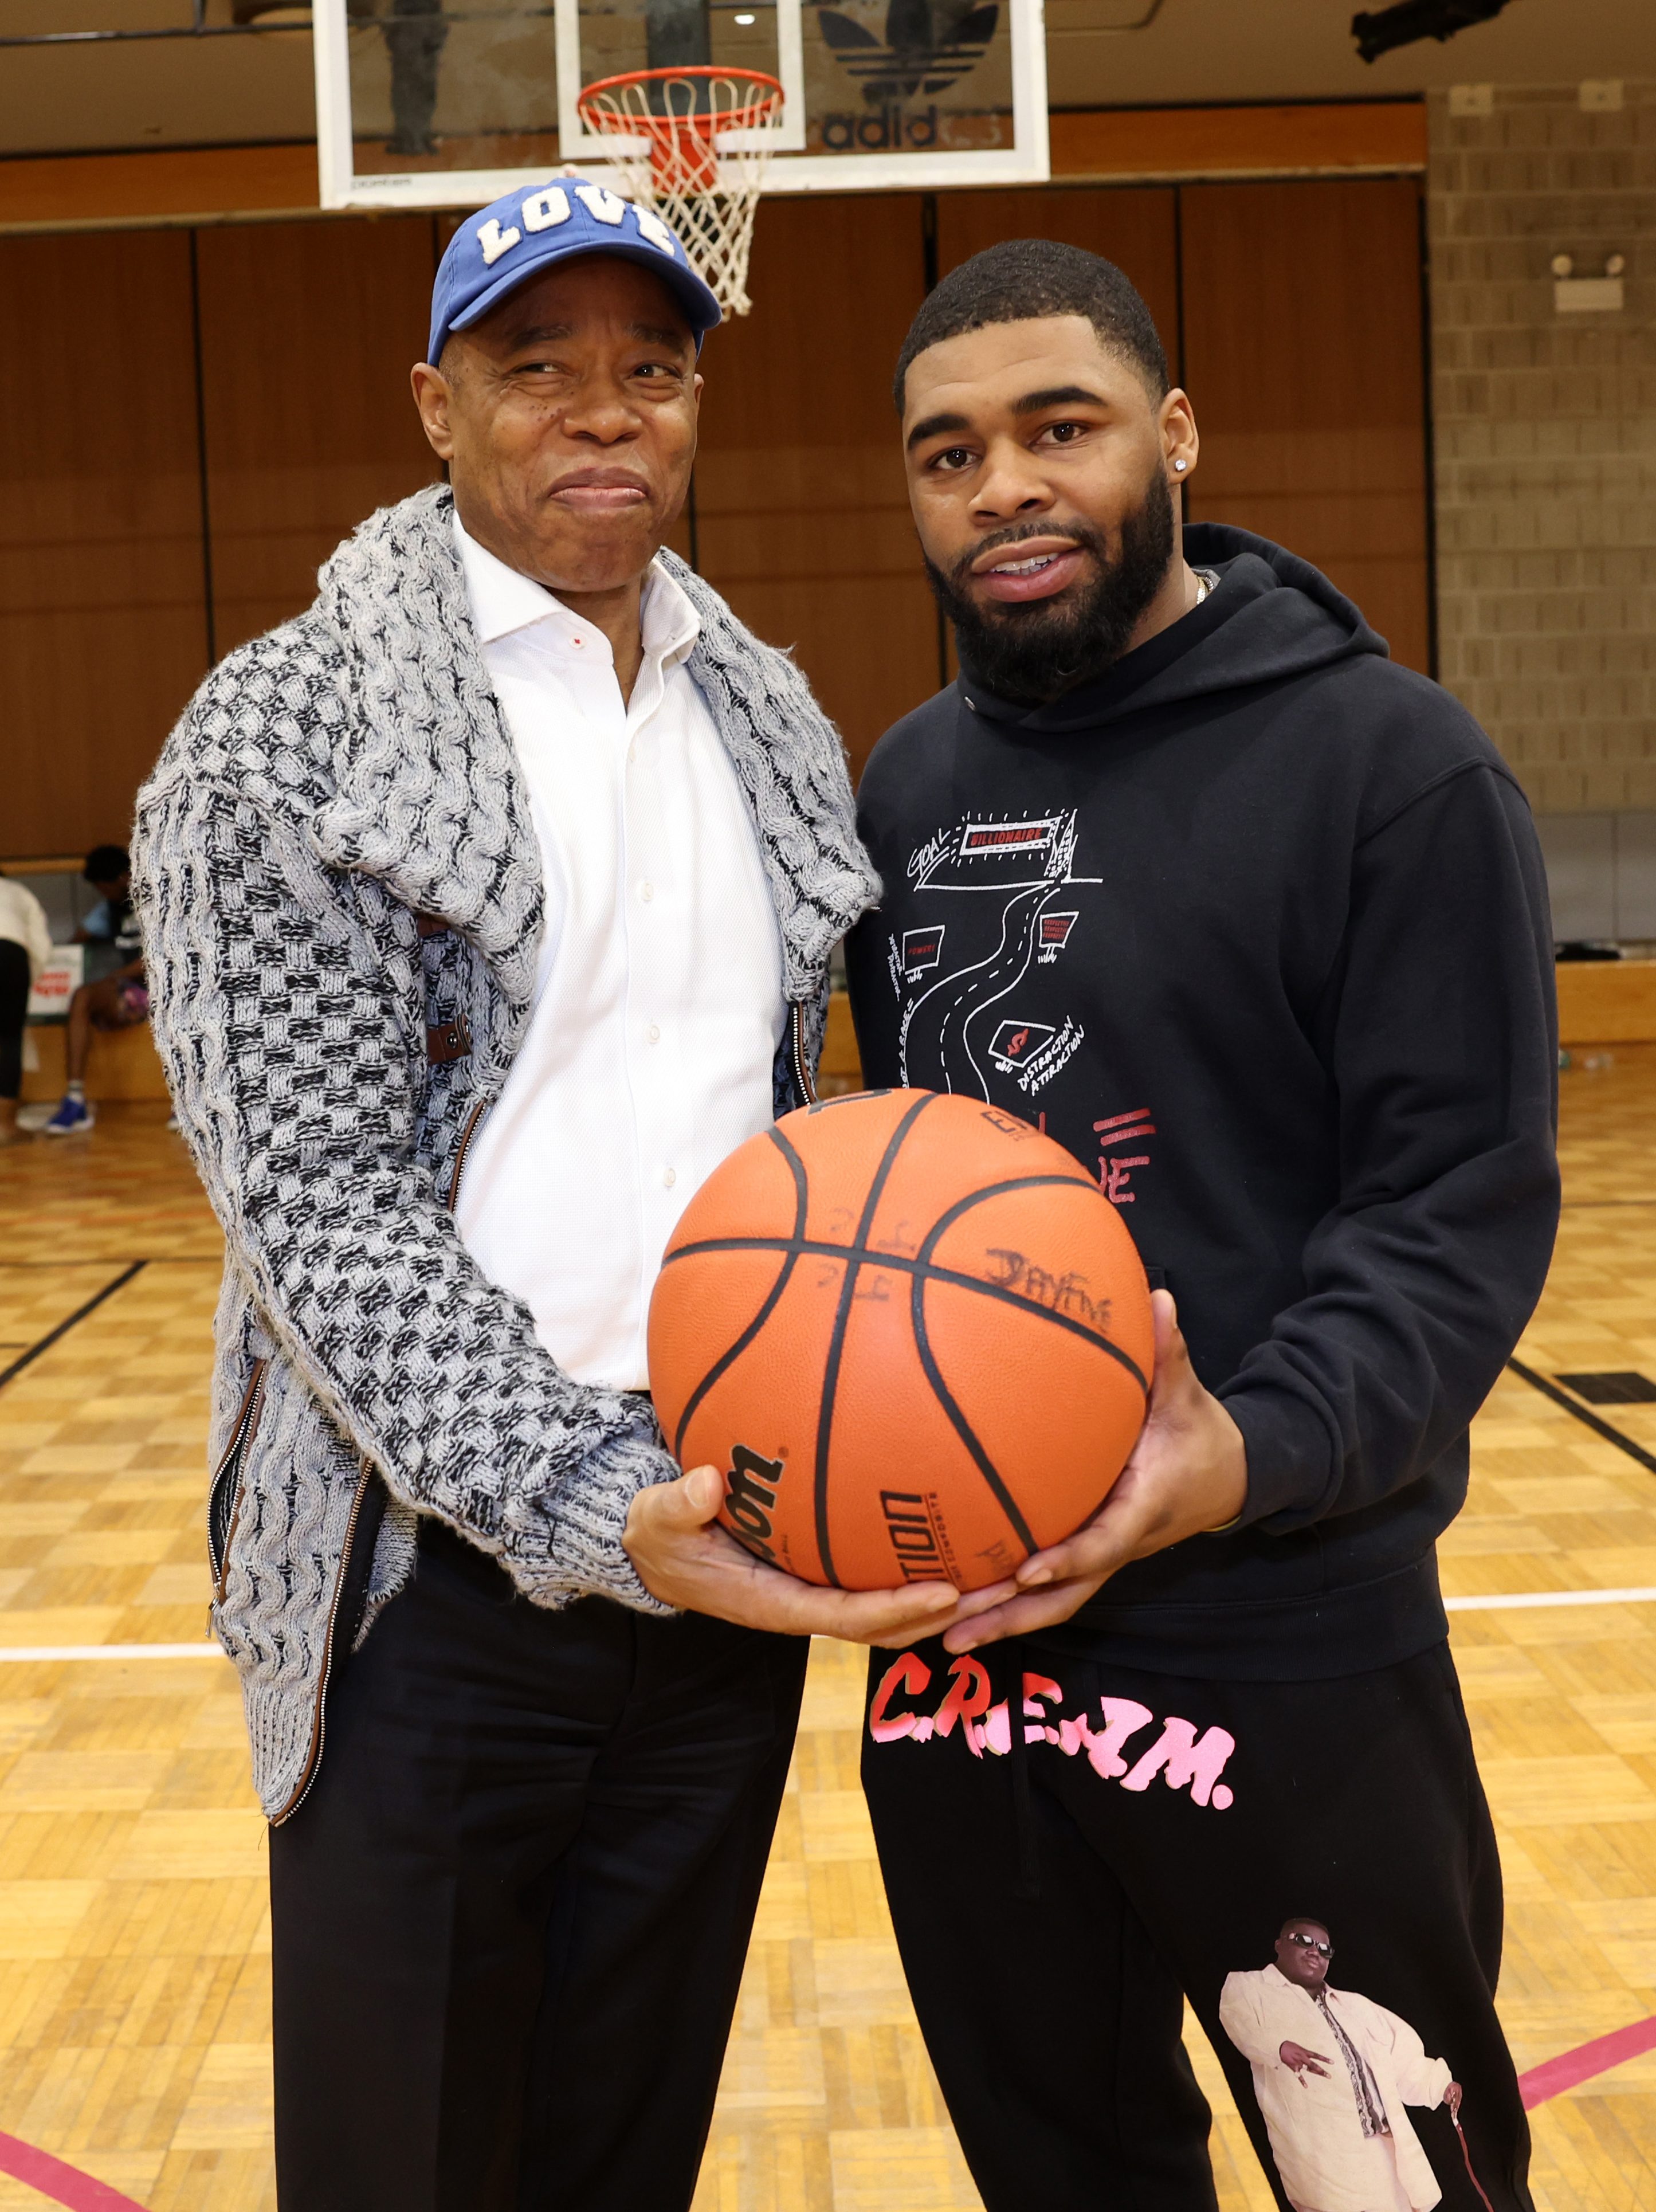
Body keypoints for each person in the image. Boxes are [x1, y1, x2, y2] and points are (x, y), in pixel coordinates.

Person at [134, 179, 958, 2212]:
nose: (605, 411)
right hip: (427, 1588)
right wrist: (590, 1500)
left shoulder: (765, 717)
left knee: (623, 2149)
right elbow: (320, 1209)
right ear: (435, 402)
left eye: (651, 368)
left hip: (723, 1540)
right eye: (536, 368)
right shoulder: (283, 735)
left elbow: (786, 1117)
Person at [842, 242, 1557, 2211]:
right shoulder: (906, 786)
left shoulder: (1392, 767)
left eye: (1058, 428)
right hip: (970, 1629)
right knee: (1061, 2171)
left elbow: (1456, 1208)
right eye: (949, 453)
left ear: (1171, 435)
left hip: (1281, 1611)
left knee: (1392, 2185)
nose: (1005, 486)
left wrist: (1239, 1447)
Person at [1221, 1919, 1462, 2212]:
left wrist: (1439, 2085)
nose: (1315, 1952)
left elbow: (1401, 2054)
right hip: (1321, 2149)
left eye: (1324, 1949)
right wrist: (1279, 2048)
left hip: (1381, 2147)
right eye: (1303, 1941)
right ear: (1279, 1944)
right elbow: (1239, 2022)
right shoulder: (1250, 1987)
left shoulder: (1355, 2006)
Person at [41, 843, 150, 1137]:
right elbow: (76, 941)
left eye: (105, 887)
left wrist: (115, 976)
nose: (104, 894)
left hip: (174, 993)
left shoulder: (155, 900)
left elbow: (157, 958)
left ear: (124, 877)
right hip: (131, 994)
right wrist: (57, 962)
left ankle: (185, 1103)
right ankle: (75, 1099)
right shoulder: (108, 910)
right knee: (82, 996)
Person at [0, 873, 53, 1148]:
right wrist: (27, 978)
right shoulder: (17, 891)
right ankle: (5, 1127)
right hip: (10, 953)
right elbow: (41, 944)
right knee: (9, 1038)